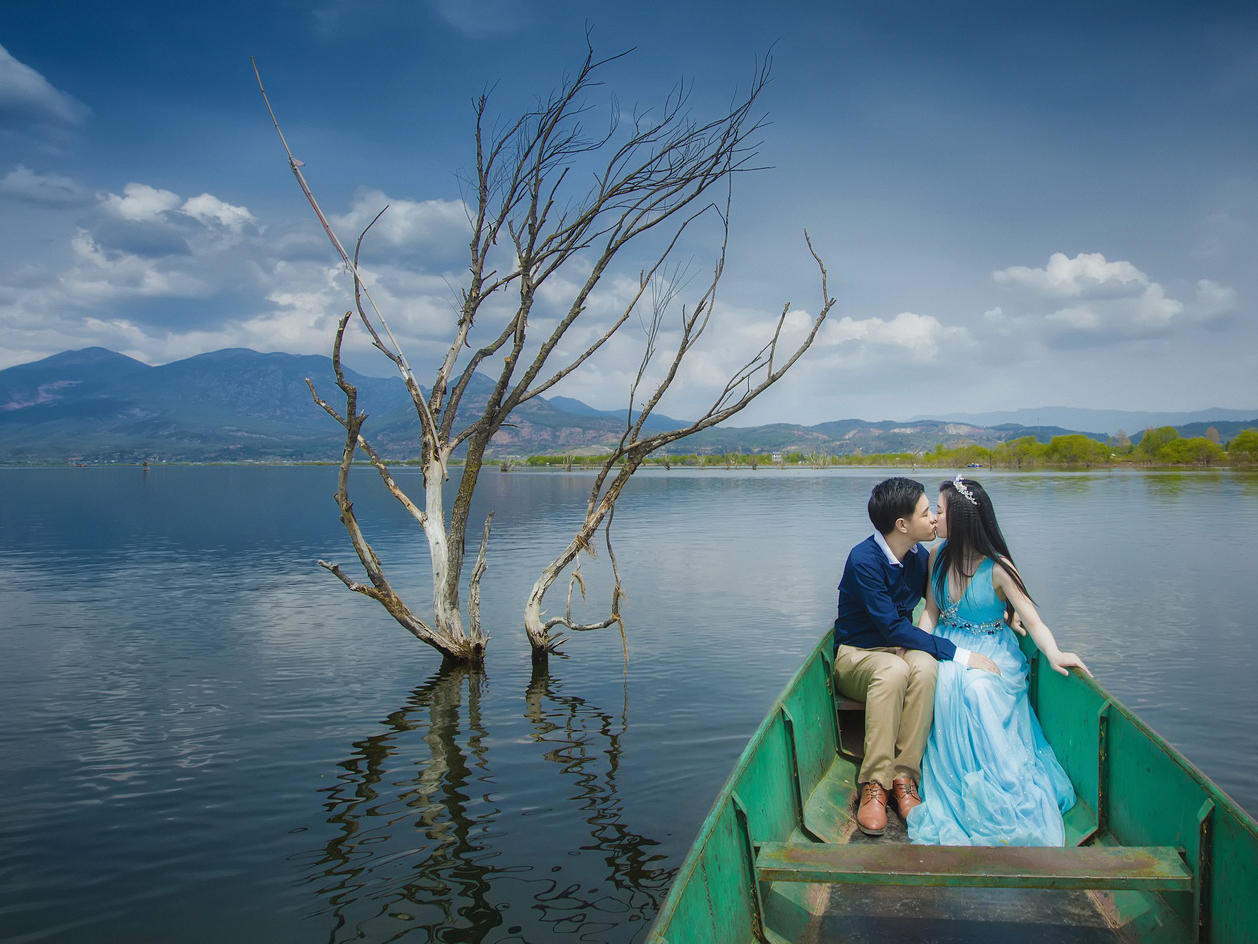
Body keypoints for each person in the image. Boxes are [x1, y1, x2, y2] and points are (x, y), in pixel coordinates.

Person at [907, 475, 1090, 846]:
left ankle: (998, 782)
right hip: (949, 643)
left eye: (939, 512)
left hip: (992, 648)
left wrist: (1054, 652)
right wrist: (918, 645)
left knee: (976, 690)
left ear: (958, 520)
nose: (934, 520)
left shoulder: (999, 568)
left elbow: (1033, 619)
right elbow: (930, 611)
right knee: (940, 683)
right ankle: (953, 778)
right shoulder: (936, 557)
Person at [833, 477, 1000, 836]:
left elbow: (948, 598)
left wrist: (1010, 615)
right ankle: (874, 784)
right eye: (927, 514)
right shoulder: (864, 560)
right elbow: (892, 629)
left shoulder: (917, 557)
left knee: (924, 666)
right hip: (856, 655)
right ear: (902, 525)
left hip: (898, 650)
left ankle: (904, 778)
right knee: (894, 670)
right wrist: (958, 653)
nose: (935, 520)